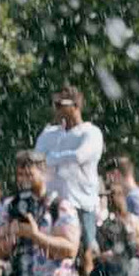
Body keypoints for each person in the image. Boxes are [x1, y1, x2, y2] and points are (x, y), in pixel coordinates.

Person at [28, 81, 105, 221]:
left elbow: (79, 156)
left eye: (60, 105)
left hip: (82, 205)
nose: (55, 109)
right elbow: (35, 161)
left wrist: (49, 158)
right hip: (52, 206)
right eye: (54, 105)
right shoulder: (48, 134)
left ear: (76, 106)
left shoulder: (91, 132)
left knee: (88, 243)